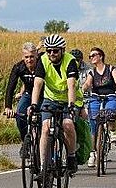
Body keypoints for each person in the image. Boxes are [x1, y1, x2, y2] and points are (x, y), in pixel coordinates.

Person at [30, 33, 79, 175]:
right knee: (45, 128)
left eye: (55, 51)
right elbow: (37, 84)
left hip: (66, 100)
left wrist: (71, 105)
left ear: (62, 50)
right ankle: (43, 165)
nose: (52, 53)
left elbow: (71, 85)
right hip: (50, 99)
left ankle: (71, 156)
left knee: (67, 125)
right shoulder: (43, 60)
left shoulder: (70, 61)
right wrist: (34, 105)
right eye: (49, 50)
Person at [82, 47, 116, 167]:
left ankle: (111, 131)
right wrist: (82, 90)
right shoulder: (92, 72)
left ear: (100, 56)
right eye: (90, 56)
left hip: (111, 97)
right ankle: (93, 153)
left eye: (93, 55)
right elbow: (88, 83)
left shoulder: (110, 69)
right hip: (96, 98)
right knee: (93, 125)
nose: (91, 58)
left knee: (110, 112)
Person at [3, 42, 40, 157]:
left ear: (36, 55)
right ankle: (26, 142)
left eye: (32, 57)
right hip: (28, 94)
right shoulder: (19, 67)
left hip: (43, 95)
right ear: (23, 57)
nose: (29, 60)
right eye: (26, 57)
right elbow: (10, 87)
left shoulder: (42, 65)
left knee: (43, 118)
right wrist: (8, 107)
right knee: (20, 114)